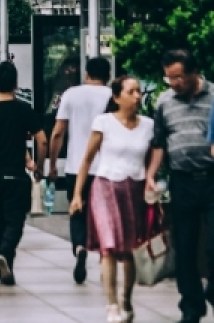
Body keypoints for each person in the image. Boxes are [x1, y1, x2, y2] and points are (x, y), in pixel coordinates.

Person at [71, 76, 153, 323]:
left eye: (139, 91)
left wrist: (152, 185)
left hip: (135, 189)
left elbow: (152, 161)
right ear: (117, 97)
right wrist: (77, 194)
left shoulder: (148, 125)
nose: (137, 96)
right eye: (131, 91)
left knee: (129, 250)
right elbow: (86, 159)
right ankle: (112, 305)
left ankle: (126, 298)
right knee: (109, 248)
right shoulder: (103, 122)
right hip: (105, 187)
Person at [147, 49, 213, 323]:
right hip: (181, 180)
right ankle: (191, 306)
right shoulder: (164, 102)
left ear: (193, 73)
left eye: (178, 77)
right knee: (184, 247)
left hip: (211, 179)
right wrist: (151, 174)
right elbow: (159, 142)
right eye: (168, 78)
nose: (173, 83)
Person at [0, 61, 46, 287]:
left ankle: (2, 266)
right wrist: (39, 165)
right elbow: (41, 139)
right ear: (15, 83)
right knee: (15, 221)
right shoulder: (24, 110)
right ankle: (5, 253)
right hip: (16, 175)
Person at [49, 56, 113, 284]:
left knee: (77, 212)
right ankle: (106, 255)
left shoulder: (71, 94)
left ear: (87, 74)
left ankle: (79, 247)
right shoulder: (112, 96)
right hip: (106, 168)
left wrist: (53, 162)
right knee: (103, 214)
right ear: (108, 75)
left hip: (76, 166)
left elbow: (58, 132)